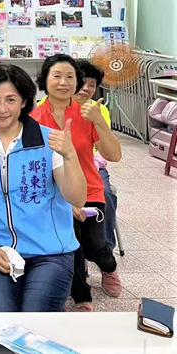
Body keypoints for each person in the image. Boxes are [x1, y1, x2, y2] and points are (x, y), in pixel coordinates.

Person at [0, 64, 86, 312]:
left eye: (10, 100)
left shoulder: (50, 140)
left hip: (50, 252)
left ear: (24, 101)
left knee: (34, 319)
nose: (1, 108)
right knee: (2, 321)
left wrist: (70, 156)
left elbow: (77, 198)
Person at [30, 55, 123, 311]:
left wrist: (99, 120)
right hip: (52, 194)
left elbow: (114, 155)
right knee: (69, 245)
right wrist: (65, 202)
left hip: (90, 191)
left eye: (70, 77)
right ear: (45, 80)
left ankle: (109, 267)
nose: (64, 82)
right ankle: (82, 296)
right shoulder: (33, 118)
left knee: (94, 245)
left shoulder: (87, 113)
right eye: (57, 76)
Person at [72, 60, 118, 250]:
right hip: (58, 167)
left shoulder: (99, 109)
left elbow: (107, 147)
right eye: (82, 83)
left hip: (91, 165)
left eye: (92, 85)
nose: (86, 89)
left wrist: (96, 161)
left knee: (106, 194)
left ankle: (105, 249)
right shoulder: (44, 107)